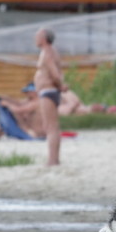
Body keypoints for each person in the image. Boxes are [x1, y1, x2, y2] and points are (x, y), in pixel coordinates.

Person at [33, 28, 65, 166]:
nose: (35, 38)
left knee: (51, 127)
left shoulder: (48, 52)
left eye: (37, 36)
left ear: (44, 38)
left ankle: (53, 160)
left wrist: (60, 85)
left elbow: (55, 74)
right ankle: (53, 159)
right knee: (49, 126)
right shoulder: (50, 52)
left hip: (49, 91)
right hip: (48, 91)